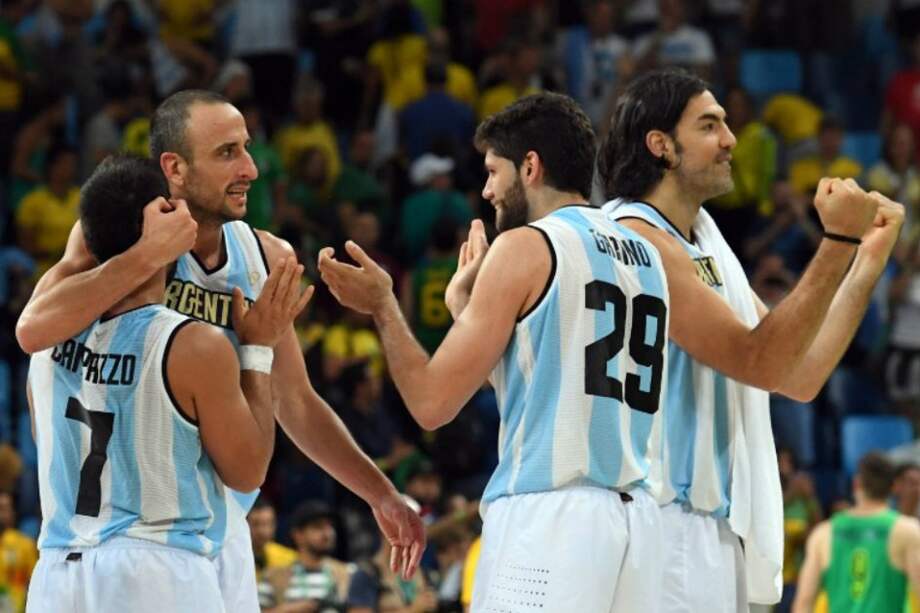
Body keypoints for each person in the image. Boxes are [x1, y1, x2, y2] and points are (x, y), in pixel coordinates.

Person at [15, 90, 425, 612]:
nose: (251, 168)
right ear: (175, 168)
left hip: (213, 527)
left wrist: (380, 493)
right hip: (134, 529)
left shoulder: (265, 257)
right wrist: (146, 257)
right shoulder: (118, 235)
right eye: (227, 152)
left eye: (247, 148)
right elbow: (35, 328)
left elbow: (294, 401)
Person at [319, 92, 669, 611]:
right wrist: (464, 307)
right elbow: (541, 373)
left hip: (550, 520)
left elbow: (431, 404)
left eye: (492, 171)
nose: (486, 191)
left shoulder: (527, 245)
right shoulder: (647, 255)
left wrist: (383, 306)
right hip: (637, 524)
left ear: (530, 166)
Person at [597, 68, 904, 610]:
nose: (731, 139)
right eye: (710, 125)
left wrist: (866, 262)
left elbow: (799, 374)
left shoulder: (705, 242)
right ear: (661, 146)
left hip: (707, 523)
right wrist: (835, 242)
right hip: (657, 520)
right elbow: (759, 361)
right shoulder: (635, 239)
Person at [24, 153, 310, 612]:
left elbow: (47, 435)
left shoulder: (45, 340)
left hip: (58, 571)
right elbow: (248, 469)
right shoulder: (194, 344)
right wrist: (258, 349)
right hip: (159, 569)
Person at [792, 453, 920, 613]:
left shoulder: (824, 534)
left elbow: (804, 603)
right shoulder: (905, 531)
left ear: (856, 484)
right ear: (893, 486)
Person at [258, 501, 352, 612]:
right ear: (298, 535)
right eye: (318, 527)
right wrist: (291, 609)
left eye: (329, 526)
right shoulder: (273, 576)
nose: (327, 533)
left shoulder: (348, 573)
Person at [247, 497, 297, 583]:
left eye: (268, 523)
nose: (262, 531)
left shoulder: (290, 558)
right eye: (256, 524)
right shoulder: (234, 559)